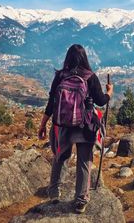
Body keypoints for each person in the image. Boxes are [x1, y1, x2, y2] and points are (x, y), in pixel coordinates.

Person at [37, 44, 113, 214]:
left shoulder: (60, 76)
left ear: (67, 58)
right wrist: (110, 93)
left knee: (60, 157)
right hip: (85, 125)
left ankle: (54, 192)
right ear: (85, 58)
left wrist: (43, 124)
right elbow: (101, 101)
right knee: (84, 162)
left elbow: (51, 103)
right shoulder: (90, 77)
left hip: (63, 124)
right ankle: (80, 201)